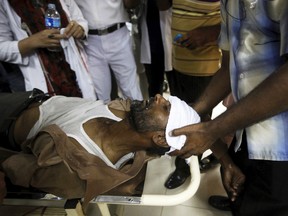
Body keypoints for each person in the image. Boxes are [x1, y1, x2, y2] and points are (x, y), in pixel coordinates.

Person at [0, 89, 244, 211]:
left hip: (8, 122)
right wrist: (227, 162)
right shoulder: (128, 114)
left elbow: (14, 168)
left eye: (166, 108)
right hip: (32, 96)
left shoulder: (74, 164)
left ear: (159, 138)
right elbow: (197, 135)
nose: (158, 96)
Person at [169, 1, 288, 215]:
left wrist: (211, 130)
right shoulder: (230, 3)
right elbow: (231, 65)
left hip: (282, 146)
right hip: (247, 132)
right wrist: (194, 113)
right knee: (240, 197)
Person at [156, 0, 222, 189]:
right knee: (183, 115)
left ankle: (185, 167)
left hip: (203, 65)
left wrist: (209, 34)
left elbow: (237, 20)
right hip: (178, 61)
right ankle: (212, 155)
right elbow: (164, 6)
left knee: (194, 120)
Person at [0, 0, 96, 99]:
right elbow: (1, 48)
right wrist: (32, 41)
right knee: (54, 110)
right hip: (45, 79)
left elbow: (79, 19)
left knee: (87, 108)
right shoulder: (5, 4)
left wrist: (80, 28)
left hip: (74, 72)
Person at [73, 0, 143, 103]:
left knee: (131, 91)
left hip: (118, 35)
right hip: (90, 40)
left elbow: (131, 3)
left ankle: (140, 118)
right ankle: (105, 118)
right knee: (99, 96)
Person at [140, 0, 172, 97]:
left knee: (177, 91)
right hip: (151, 44)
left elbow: (163, 5)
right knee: (154, 91)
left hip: (171, 43)